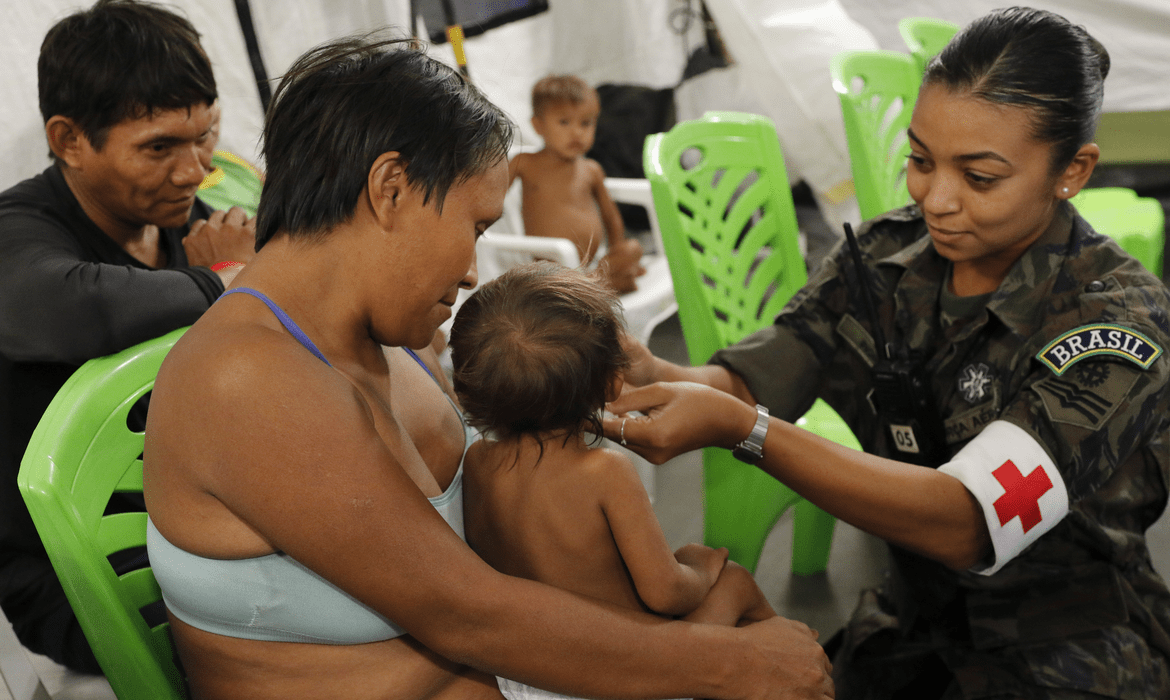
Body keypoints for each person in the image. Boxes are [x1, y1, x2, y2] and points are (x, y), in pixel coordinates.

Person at [142, 35, 831, 700]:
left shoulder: (382, 334)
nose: (473, 271)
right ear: (390, 188)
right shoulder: (249, 379)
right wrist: (727, 666)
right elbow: (468, 612)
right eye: (474, 226)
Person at [605, 7, 1170, 699]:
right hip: (914, 623)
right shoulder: (881, 259)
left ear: (1072, 171)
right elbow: (766, 373)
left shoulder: (1116, 325)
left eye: (980, 177)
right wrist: (656, 372)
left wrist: (743, 432)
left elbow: (969, 519)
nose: (937, 199)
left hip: (1068, 649)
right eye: (920, 160)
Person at [0, 0, 256, 674]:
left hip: (202, 531)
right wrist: (227, 283)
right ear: (69, 140)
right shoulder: (20, 230)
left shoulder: (194, 218)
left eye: (207, 135)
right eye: (159, 147)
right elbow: (56, 309)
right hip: (80, 577)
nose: (196, 169)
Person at [450, 261, 776, 700]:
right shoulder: (604, 472)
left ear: (468, 390)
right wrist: (701, 566)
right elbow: (665, 594)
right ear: (612, 381)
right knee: (735, 583)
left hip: (528, 680)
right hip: (622, 677)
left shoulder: (476, 463)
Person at [510, 75, 646, 294]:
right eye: (564, 122)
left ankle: (598, 281)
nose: (576, 132)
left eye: (586, 123)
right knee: (613, 275)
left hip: (592, 263)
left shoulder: (591, 169)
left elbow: (610, 215)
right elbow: (491, 192)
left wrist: (617, 247)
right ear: (538, 125)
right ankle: (604, 283)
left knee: (633, 248)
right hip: (551, 267)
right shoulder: (525, 164)